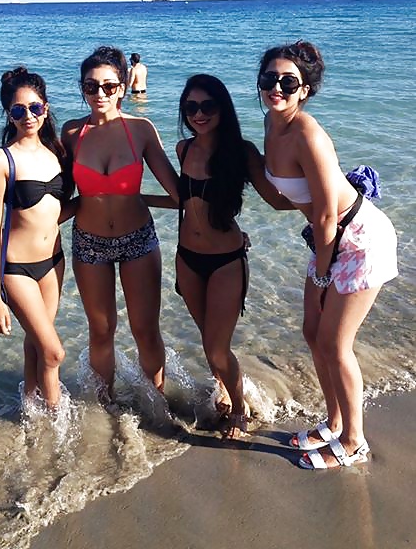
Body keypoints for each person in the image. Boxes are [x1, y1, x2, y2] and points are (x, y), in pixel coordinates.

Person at [257, 40, 397, 468]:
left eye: (288, 82)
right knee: (312, 332)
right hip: (330, 237)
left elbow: (323, 216)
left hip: (358, 238)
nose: (276, 88)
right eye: (269, 78)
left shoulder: (308, 134)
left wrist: (322, 276)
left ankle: (355, 442)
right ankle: (335, 422)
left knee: (336, 344)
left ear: (304, 90)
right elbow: (288, 199)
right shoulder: (271, 123)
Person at [148, 74, 292, 438]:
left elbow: (276, 200)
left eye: (207, 106)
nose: (199, 114)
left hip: (226, 261)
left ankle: (239, 411)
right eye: (191, 107)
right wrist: (136, 199)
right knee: (208, 338)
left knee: (216, 347)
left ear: (222, 108)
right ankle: (224, 387)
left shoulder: (242, 152)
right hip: (188, 259)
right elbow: (184, 200)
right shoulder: (183, 149)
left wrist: (331, 199)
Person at [61, 46, 179, 400]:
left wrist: (137, 198)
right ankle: (105, 406)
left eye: (109, 86)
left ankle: (156, 405)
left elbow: (178, 194)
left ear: (123, 88)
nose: (100, 93)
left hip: (137, 239)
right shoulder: (71, 133)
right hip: (89, 242)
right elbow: (58, 195)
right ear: (82, 88)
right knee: (101, 331)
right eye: (91, 86)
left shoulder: (140, 130)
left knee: (145, 330)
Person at [0, 66, 73, 409]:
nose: (28, 116)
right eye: (19, 111)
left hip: (53, 263)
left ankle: (29, 409)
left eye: (34, 108)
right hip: (16, 269)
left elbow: (54, 211)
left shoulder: (57, 153)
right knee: (54, 352)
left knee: (37, 344)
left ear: (45, 108)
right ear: (9, 115)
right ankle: (57, 424)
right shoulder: (2, 159)